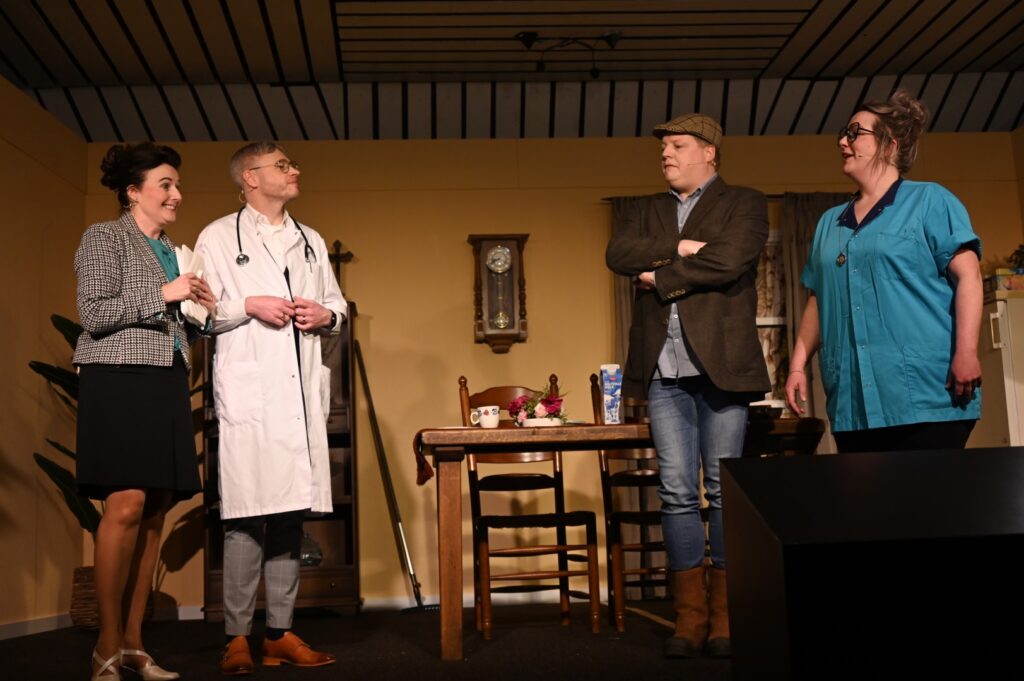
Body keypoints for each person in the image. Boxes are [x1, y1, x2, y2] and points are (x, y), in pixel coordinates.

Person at [606, 114, 770, 659]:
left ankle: (726, 616)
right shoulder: (644, 208)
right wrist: (682, 248)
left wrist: (658, 275)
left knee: (723, 490)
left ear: (710, 153)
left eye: (678, 145)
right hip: (663, 370)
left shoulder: (744, 202)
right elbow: (618, 254)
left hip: (722, 366)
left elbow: (730, 259)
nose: (666, 154)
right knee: (676, 490)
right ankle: (689, 617)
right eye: (665, 147)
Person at [195, 142, 346, 675]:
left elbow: (338, 305)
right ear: (251, 178)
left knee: (288, 513)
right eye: (283, 165)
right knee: (244, 515)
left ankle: (279, 634)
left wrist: (325, 315)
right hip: (252, 397)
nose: (294, 170)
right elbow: (198, 312)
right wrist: (248, 304)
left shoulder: (311, 240)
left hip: (298, 397)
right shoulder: (218, 237)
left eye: (292, 163)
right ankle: (237, 637)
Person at [75, 143, 215, 680]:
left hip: (165, 378)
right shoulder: (104, 237)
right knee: (126, 503)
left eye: (177, 185)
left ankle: (134, 644)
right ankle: (106, 645)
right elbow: (93, 312)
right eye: (165, 185)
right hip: (118, 377)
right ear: (133, 192)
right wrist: (165, 292)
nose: (176, 194)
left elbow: (177, 322)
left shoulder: (174, 251)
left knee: (155, 509)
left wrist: (201, 312)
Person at [785, 90, 983, 453]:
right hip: (853, 403)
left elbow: (969, 277)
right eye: (843, 134)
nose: (843, 142)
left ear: (889, 144)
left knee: (928, 490)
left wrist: (967, 352)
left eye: (855, 133)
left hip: (927, 395)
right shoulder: (829, 222)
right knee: (867, 492)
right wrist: (798, 365)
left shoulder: (930, 200)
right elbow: (818, 298)